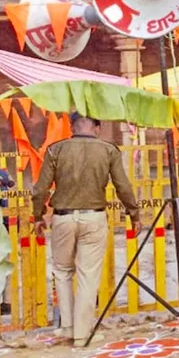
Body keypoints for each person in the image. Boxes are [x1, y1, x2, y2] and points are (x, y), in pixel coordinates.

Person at [32, 112, 140, 345]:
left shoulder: (56, 149)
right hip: (94, 217)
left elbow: (40, 189)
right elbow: (123, 186)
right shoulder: (108, 150)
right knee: (88, 275)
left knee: (62, 272)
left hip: (62, 217)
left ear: (71, 127)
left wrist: (38, 216)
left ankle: (68, 328)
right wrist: (134, 213)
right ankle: (82, 334)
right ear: (97, 127)